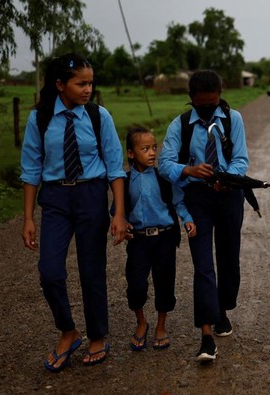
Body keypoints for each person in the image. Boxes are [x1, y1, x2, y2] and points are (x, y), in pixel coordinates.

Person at [20, 53, 126, 371]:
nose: (87, 89)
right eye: (81, 83)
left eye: (90, 83)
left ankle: (97, 335)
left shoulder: (98, 116)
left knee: (92, 269)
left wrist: (118, 213)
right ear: (60, 85)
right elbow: (30, 168)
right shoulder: (39, 118)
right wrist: (27, 218)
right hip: (54, 199)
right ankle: (68, 331)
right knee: (49, 271)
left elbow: (115, 167)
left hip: (91, 195)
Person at [158, 69, 249, 362]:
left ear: (220, 96)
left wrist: (227, 177)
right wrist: (189, 170)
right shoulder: (180, 125)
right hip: (197, 198)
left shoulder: (233, 119)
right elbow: (165, 163)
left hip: (229, 195)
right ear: (191, 99)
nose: (209, 109)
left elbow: (241, 160)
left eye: (214, 103)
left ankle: (222, 309)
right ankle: (206, 334)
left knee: (228, 256)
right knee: (202, 264)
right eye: (203, 105)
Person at [122, 127, 192, 352]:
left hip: (164, 238)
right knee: (135, 284)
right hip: (139, 241)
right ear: (131, 153)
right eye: (145, 149)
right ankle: (141, 322)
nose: (152, 153)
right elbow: (118, 209)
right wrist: (122, 225)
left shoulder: (163, 177)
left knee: (164, 281)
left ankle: (161, 326)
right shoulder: (124, 180)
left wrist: (187, 219)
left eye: (154, 148)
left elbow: (178, 201)